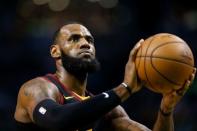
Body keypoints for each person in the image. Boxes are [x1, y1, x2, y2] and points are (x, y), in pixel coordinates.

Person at [14, 23, 196, 131]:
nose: (85, 43)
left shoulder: (110, 112)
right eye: (74, 39)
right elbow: (56, 119)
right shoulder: (37, 88)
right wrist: (125, 88)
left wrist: (166, 109)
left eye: (90, 40)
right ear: (55, 51)